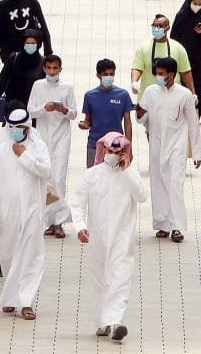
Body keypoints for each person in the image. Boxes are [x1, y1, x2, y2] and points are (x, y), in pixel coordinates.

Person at [71, 132, 147, 342]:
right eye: (111, 150)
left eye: (118, 151)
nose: (114, 154)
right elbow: (78, 203)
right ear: (103, 149)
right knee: (99, 280)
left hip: (122, 238)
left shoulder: (130, 175)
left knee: (120, 278)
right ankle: (103, 322)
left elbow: (141, 196)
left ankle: (116, 321)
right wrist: (80, 227)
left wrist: (128, 170)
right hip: (97, 238)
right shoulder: (92, 175)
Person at [0, 109, 51, 321]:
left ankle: (26, 302)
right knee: (8, 255)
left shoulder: (38, 147)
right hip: (7, 213)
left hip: (32, 210)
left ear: (27, 128)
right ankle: (11, 298)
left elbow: (46, 172)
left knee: (31, 256)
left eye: (19, 128)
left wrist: (24, 155)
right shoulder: (0, 151)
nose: (15, 132)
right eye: (11, 128)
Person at [136, 58, 200, 243]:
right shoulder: (150, 92)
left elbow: (193, 124)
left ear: (172, 75)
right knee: (157, 184)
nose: (158, 76)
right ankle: (163, 224)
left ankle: (177, 227)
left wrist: (196, 153)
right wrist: (139, 114)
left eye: (162, 73)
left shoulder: (185, 95)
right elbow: (141, 118)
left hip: (177, 147)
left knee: (175, 184)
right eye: (157, 73)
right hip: (156, 146)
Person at [27, 54, 77, 238]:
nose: (52, 71)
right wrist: (44, 108)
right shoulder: (38, 86)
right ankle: (50, 221)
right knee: (47, 178)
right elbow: (30, 110)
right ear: (44, 69)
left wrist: (63, 110)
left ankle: (60, 222)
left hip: (62, 137)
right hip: (43, 138)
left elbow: (73, 114)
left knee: (59, 177)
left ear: (60, 69)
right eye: (49, 68)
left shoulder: (67, 88)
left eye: (56, 68)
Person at [79, 59, 134, 168]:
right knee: (94, 179)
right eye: (105, 74)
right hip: (94, 145)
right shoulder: (90, 96)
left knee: (116, 181)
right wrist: (84, 124)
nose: (109, 77)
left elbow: (128, 123)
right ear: (98, 75)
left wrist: (129, 148)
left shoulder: (123, 95)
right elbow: (88, 120)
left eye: (111, 74)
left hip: (116, 147)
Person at [131, 14, 195, 104]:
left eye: (159, 26)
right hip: (148, 101)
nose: (156, 28)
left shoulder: (178, 48)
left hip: (173, 100)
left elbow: (185, 72)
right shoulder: (143, 47)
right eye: (154, 25)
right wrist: (134, 82)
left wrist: (192, 93)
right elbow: (137, 68)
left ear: (167, 28)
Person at [0, 29, 46, 111]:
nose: (30, 45)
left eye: (33, 43)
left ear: (38, 45)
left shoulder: (43, 63)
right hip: (12, 107)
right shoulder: (13, 58)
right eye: (27, 43)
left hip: (34, 109)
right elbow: (2, 80)